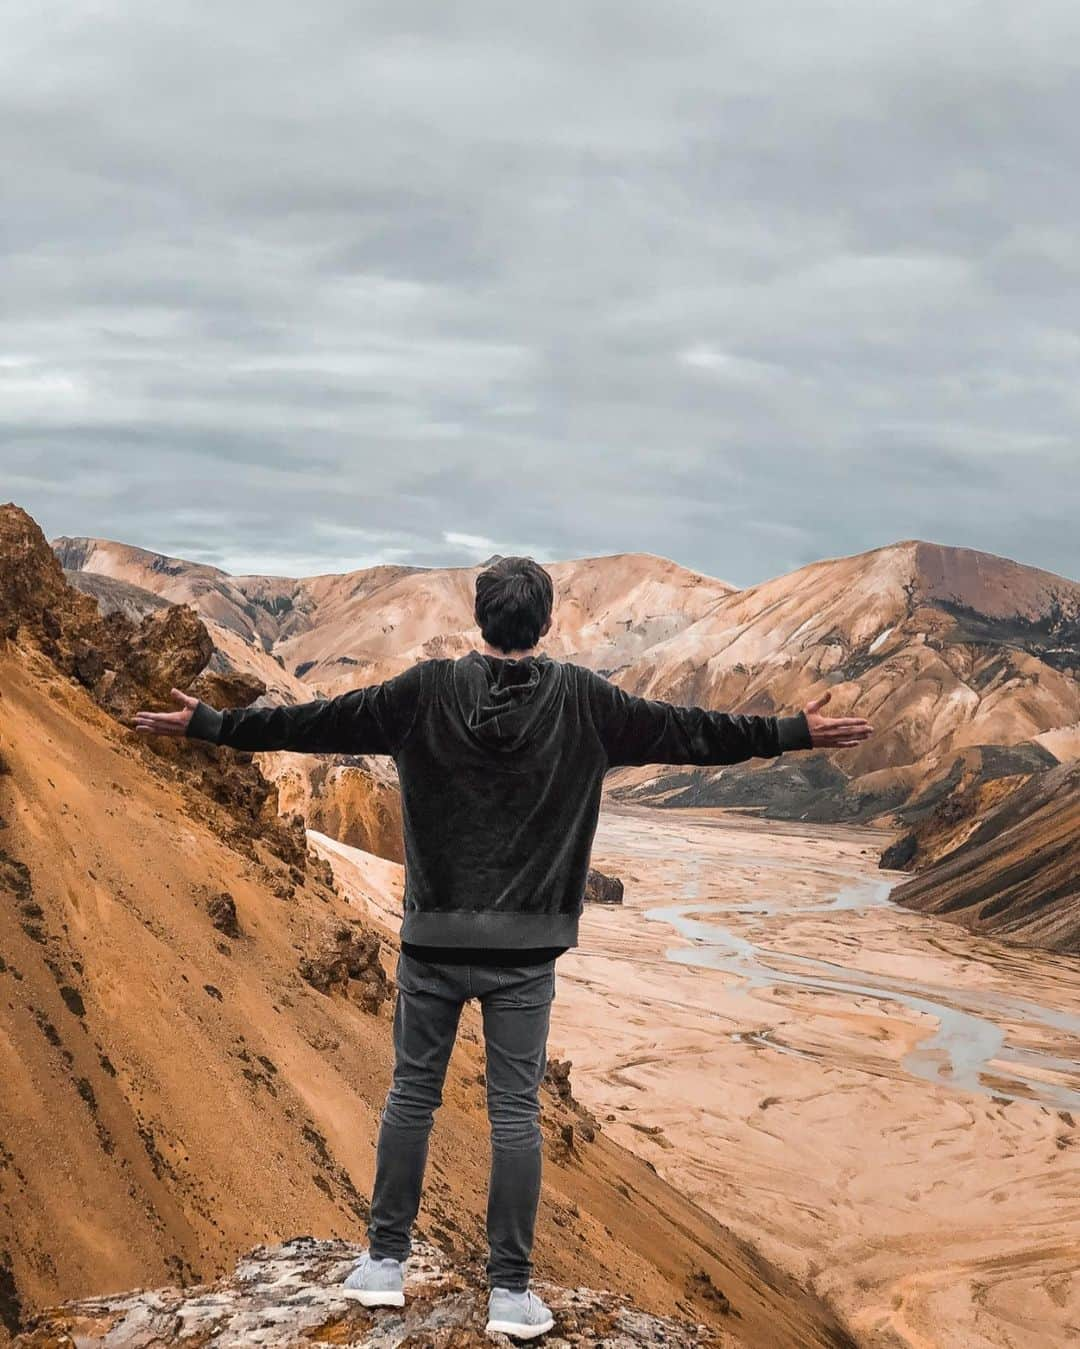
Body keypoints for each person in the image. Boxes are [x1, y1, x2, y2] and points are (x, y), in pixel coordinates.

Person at [135, 555, 873, 1340]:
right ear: (545, 623)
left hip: (433, 940)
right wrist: (791, 732)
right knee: (514, 1114)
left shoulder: (421, 693)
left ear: (480, 618)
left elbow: (317, 720)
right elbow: (692, 731)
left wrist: (213, 725)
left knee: (411, 1095)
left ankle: (385, 1265)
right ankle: (510, 1294)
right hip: (526, 951)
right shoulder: (587, 704)